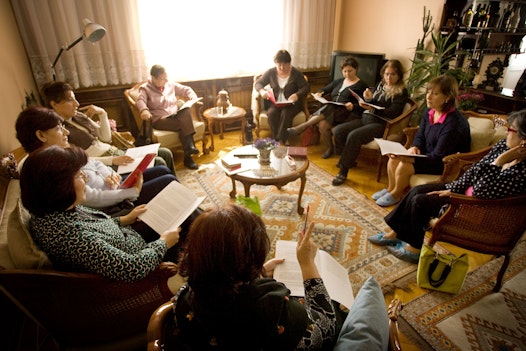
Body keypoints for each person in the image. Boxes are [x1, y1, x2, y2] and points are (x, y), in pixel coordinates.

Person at [170, 204, 389, 350]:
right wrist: (307, 263)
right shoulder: (273, 310)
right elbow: (327, 327)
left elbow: (223, 286)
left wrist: (256, 272)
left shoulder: (185, 297)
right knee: (338, 307)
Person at [368, 109, 526, 263]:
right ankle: (395, 233)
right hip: (464, 191)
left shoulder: (522, 171)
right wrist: (453, 188)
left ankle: (414, 249)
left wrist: (499, 163)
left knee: (421, 201)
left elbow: (482, 191)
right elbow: (475, 170)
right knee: (417, 190)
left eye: (511, 129)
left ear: (524, 140)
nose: (506, 132)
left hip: (476, 208)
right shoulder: (503, 147)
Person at [19, 144, 182, 287]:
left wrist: (125, 219)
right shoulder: (73, 238)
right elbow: (131, 268)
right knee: (187, 225)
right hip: (141, 268)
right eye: (78, 175)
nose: (85, 177)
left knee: (180, 213)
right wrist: (163, 243)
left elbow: (97, 226)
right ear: (58, 187)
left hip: (129, 240)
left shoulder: (57, 210)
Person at [15, 106, 176, 214]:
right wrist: (130, 192)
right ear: (41, 135)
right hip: (113, 204)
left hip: (116, 187)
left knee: (162, 170)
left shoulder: (59, 150)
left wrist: (110, 174)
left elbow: (94, 162)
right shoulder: (46, 167)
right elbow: (89, 198)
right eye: (58, 128)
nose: (66, 132)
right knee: (166, 180)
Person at [373, 74, 471, 207]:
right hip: (427, 156)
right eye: (428, 92)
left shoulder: (453, 123)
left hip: (445, 163)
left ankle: (396, 194)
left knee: (404, 164)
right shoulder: (429, 112)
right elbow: (420, 135)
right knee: (393, 159)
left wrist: (410, 159)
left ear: (448, 97)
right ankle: (390, 189)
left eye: (435, 94)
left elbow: (439, 156)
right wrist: (415, 147)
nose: (428, 97)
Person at [41, 81, 176, 174]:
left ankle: (177, 194)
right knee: (158, 162)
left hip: (115, 151)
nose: (76, 103)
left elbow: (106, 138)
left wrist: (102, 113)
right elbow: (79, 161)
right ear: (54, 104)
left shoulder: (78, 117)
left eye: (75, 98)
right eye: (70, 100)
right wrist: (112, 160)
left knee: (165, 153)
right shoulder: (58, 131)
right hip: (105, 163)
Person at [331, 60, 408, 186]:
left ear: (399, 75)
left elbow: (393, 112)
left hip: (381, 124)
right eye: (387, 74)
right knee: (338, 131)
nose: (389, 77)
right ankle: (348, 159)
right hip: (365, 118)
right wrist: (367, 99)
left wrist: (371, 107)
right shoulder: (380, 85)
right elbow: (374, 102)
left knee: (354, 136)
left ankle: (343, 172)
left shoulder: (401, 91)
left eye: (393, 74)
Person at [287, 56, 367, 158]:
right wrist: (320, 93)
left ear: (356, 69)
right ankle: (330, 148)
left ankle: (303, 126)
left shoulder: (361, 86)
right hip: (332, 113)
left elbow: (364, 105)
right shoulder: (339, 81)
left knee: (329, 107)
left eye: (350, 71)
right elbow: (324, 89)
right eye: (345, 71)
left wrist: (353, 106)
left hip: (348, 114)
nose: (347, 74)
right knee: (323, 124)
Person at [136, 64, 201, 170]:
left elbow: (187, 89)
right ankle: (189, 153)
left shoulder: (169, 84)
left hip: (175, 116)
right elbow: (140, 100)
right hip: (160, 119)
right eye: (163, 79)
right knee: (183, 123)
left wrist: (192, 97)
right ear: (153, 78)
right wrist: (144, 110)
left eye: (166, 78)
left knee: (186, 111)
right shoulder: (145, 88)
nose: (165, 81)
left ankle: (189, 152)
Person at [254, 50, 310, 145]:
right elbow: (258, 83)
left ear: (289, 63)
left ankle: (280, 141)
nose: (281, 67)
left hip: (291, 104)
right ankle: (280, 139)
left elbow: (306, 87)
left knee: (286, 113)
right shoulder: (271, 72)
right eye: (279, 64)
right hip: (275, 103)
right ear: (275, 63)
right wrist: (262, 91)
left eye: (285, 64)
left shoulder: (296, 74)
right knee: (271, 113)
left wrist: (297, 95)